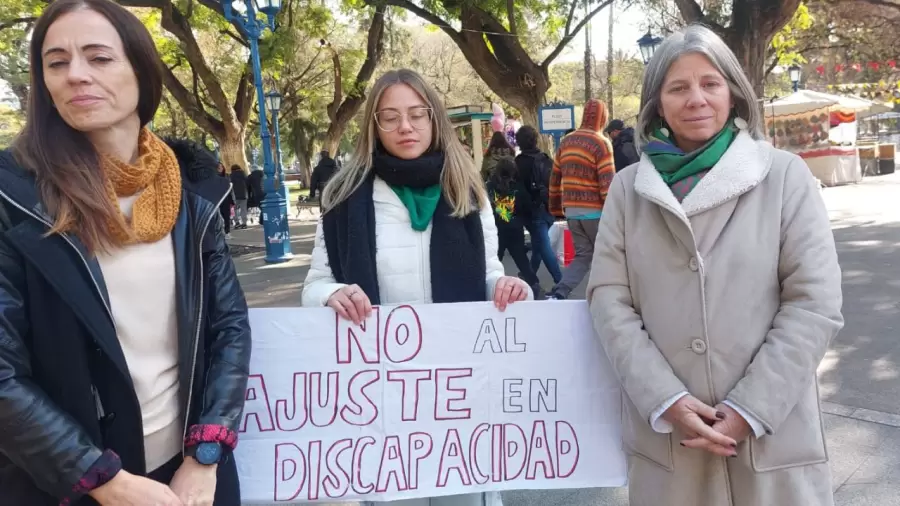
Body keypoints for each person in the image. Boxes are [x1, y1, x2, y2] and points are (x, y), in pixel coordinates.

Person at [0, 0, 252, 505]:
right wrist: (100, 478)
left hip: (189, 476)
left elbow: (229, 329)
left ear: (142, 70)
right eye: (56, 62)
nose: (75, 75)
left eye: (98, 57)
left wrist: (205, 456)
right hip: (70, 484)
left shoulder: (190, 196)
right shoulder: (14, 197)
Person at [586, 24, 843, 506]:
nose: (696, 99)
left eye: (710, 83)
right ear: (657, 103)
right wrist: (665, 399)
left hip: (771, 437)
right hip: (671, 441)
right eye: (678, 87)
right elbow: (608, 301)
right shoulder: (626, 190)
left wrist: (750, 408)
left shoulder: (785, 176)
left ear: (733, 94)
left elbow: (815, 302)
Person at [302, 68, 531, 506]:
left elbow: (487, 274)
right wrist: (330, 295)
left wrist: (505, 287)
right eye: (389, 117)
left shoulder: (467, 192)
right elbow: (316, 284)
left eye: (416, 114)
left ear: (433, 119)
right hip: (381, 407)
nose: (405, 126)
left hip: (459, 404)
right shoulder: (343, 198)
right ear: (373, 126)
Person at [545, 98, 615, 300]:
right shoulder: (601, 143)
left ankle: (559, 292)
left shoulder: (567, 141)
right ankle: (609, 298)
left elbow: (555, 177)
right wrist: (614, 212)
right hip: (596, 213)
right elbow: (607, 183)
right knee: (611, 256)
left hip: (573, 212)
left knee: (584, 255)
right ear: (603, 117)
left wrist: (556, 207)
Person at [487, 157, 542, 298]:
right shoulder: (518, 187)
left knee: (494, 259)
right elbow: (527, 207)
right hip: (515, 228)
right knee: (521, 259)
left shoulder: (490, 186)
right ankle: (534, 284)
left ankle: (489, 286)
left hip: (496, 229)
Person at [514, 125, 562, 285]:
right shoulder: (546, 158)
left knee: (543, 247)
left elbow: (517, 189)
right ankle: (529, 276)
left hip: (532, 211)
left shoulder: (519, 163)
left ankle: (561, 282)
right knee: (538, 245)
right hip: (549, 207)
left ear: (519, 142)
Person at [218, 163, 235, 239]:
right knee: (219, 217)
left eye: (221, 167)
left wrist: (231, 201)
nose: (220, 168)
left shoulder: (226, 177)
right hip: (218, 200)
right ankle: (221, 232)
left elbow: (229, 190)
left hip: (226, 199)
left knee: (226, 217)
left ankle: (227, 232)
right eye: (218, 167)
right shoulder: (213, 177)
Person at [229, 163, 248, 228]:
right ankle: (244, 223)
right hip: (244, 194)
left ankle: (237, 222)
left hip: (235, 195)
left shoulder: (231, 175)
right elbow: (247, 182)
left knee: (234, 209)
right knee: (243, 209)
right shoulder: (243, 174)